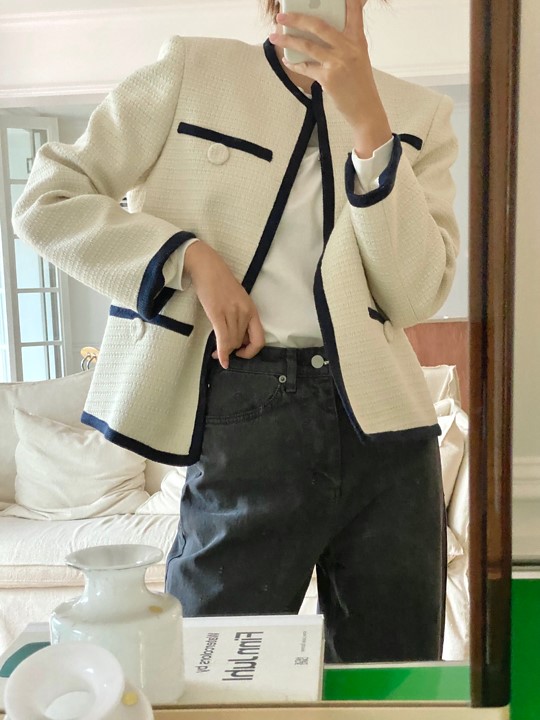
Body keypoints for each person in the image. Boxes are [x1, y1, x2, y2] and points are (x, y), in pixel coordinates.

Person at [12, 0, 459, 663]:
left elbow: (414, 293)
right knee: (212, 664)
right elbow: (48, 202)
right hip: (246, 403)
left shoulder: (418, 115)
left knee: (394, 674)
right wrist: (189, 258)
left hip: (388, 429)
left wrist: (371, 127)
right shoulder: (192, 70)